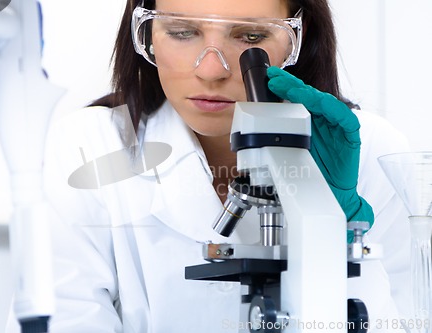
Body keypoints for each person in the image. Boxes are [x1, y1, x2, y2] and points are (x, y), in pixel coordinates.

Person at [28, 0, 413, 332]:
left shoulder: (370, 152)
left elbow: (399, 317)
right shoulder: (88, 147)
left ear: (298, 38)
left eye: (250, 38)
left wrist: (332, 231)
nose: (212, 71)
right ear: (144, 33)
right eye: (181, 32)